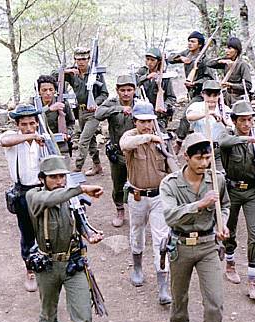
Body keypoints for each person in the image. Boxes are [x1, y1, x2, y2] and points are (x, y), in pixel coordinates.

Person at [26, 155, 104, 322]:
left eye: (62, 176)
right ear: (43, 179)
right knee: (48, 311)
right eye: (54, 177)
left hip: (73, 263)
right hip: (48, 265)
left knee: (82, 316)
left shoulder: (72, 199)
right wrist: (79, 188)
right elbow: (52, 199)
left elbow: (79, 222)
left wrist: (89, 235)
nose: (60, 181)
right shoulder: (34, 197)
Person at [160, 132, 230, 322]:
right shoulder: (170, 184)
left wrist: (224, 225)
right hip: (180, 245)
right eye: (199, 158)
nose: (204, 163)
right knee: (179, 296)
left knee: (215, 302)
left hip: (208, 245)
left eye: (208, 157)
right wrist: (199, 205)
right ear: (186, 158)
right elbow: (169, 216)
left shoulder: (217, 179)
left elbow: (226, 204)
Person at [219, 100, 255, 298]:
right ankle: (230, 263)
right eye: (242, 120)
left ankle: (252, 279)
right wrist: (251, 140)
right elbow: (223, 143)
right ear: (234, 121)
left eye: (250, 120)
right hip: (231, 191)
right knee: (229, 231)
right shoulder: (228, 135)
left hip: (252, 192)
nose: (247, 124)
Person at [119, 101, 172, 304]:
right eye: (142, 122)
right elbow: (125, 145)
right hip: (137, 195)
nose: (147, 125)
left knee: (161, 238)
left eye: (150, 121)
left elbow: (172, 166)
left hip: (159, 196)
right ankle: (138, 268)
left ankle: (163, 286)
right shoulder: (131, 137)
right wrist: (149, 137)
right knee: (137, 232)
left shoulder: (163, 139)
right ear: (135, 122)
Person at [1, 104, 45, 292]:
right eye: (24, 124)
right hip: (23, 193)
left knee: (46, 230)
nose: (29, 127)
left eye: (32, 124)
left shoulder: (42, 139)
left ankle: (46, 266)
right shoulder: (12, 138)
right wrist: (30, 136)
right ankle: (30, 270)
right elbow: (5, 141)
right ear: (18, 125)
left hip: (42, 191)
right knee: (27, 233)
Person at [94, 75, 136, 227]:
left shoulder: (140, 104)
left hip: (136, 152)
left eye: (129, 90)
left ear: (134, 90)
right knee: (118, 184)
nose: (126, 93)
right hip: (117, 153)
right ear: (117, 91)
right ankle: (120, 209)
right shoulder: (112, 103)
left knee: (137, 183)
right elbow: (97, 114)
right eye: (122, 90)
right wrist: (119, 109)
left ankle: (137, 211)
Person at [60, 47, 108, 176]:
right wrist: (67, 71)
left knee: (83, 140)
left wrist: (95, 103)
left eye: (84, 59)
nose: (81, 62)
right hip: (80, 112)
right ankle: (97, 165)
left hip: (93, 113)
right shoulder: (72, 73)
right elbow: (54, 76)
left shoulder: (96, 73)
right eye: (78, 59)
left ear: (89, 59)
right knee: (91, 140)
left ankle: (77, 168)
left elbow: (104, 93)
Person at [169, 31, 215, 140]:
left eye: (193, 42)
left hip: (201, 93)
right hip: (191, 93)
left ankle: (179, 141)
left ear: (199, 45)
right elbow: (170, 59)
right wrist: (180, 58)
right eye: (189, 41)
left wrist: (195, 83)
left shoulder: (204, 60)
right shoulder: (187, 53)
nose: (189, 44)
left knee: (186, 116)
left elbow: (209, 79)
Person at [185, 80, 232, 172]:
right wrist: (208, 113)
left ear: (219, 95)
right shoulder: (196, 106)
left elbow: (231, 127)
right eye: (208, 95)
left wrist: (224, 121)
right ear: (203, 94)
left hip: (218, 149)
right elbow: (189, 117)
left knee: (220, 176)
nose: (211, 98)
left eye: (215, 95)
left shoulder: (225, 109)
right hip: (201, 149)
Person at [135, 47, 177, 129]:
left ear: (158, 62)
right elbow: (133, 83)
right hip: (143, 112)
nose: (149, 62)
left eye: (152, 60)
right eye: (147, 59)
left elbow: (171, 97)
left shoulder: (165, 77)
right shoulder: (142, 72)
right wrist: (146, 77)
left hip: (159, 116)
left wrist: (164, 106)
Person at [206, 37, 252, 105]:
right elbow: (209, 63)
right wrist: (221, 61)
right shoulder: (225, 62)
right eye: (226, 48)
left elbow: (248, 86)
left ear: (236, 50)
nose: (226, 51)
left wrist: (231, 85)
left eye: (230, 48)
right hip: (226, 96)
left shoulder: (242, 65)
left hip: (238, 98)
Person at [35, 74, 75, 154]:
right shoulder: (34, 104)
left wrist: (67, 133)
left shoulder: (63, 103)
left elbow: (71, 122)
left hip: (61, 145)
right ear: (39, 92)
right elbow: (33, 118)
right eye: (44, 90)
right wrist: (49, 109)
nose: (48, 93)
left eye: (51, 89)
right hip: (41, 144)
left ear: (55, 91)